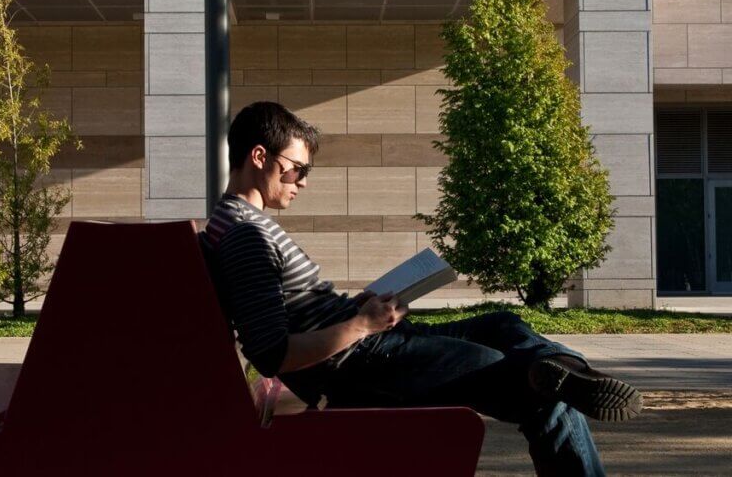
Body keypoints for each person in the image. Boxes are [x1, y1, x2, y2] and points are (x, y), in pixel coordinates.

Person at [200, 101, 641, 477]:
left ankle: (567, 369)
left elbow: (290, 316)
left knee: (503, 323)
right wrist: (362, 323)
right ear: (259, 156)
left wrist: (360, 310)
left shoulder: (237, 226)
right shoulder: (246, 235)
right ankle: (565, 375)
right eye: (297, 169)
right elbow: (272, 354)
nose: (303, 181)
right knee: (545, 395)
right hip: (361, 364)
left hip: (370, 347)